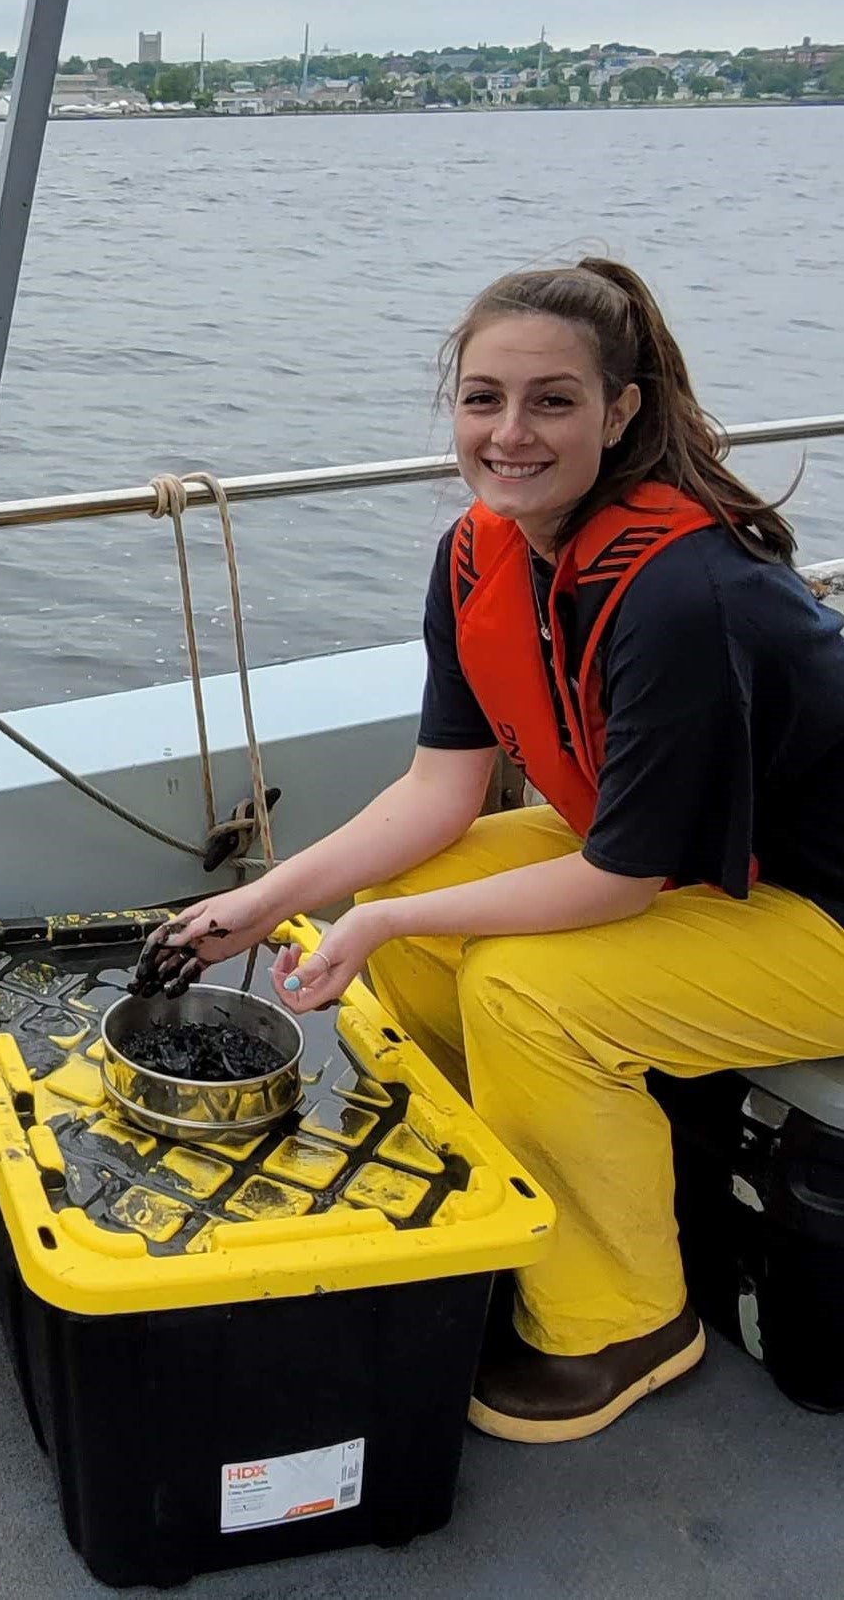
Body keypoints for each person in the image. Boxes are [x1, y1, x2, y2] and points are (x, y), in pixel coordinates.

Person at [154, 258, 844, 1444]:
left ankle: (621, 1319)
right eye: (483, 399)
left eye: (552, 401)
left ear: (621, 412)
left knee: (526, 989)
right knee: (416, 885)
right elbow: (439, 792)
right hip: (700, 863)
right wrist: (271, 898)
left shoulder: (688, 591)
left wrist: (373, 929)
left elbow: (616, 877)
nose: (508, 433)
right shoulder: (481, 555)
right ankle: (486, 1189)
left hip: (817, 904)